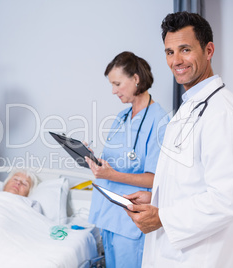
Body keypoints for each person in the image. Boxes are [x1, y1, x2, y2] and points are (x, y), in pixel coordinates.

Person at [124, 12, 233, 267]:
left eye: (185, 49)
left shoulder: (221, 112)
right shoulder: (191, 106)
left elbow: (227, 198)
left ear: (208, 50)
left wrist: (163, 217)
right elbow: (191, 182)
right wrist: (156, 199)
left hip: (202, 257)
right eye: (169, 52)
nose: (176, 60)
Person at [85, 51, 169, 268]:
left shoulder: (159, 121)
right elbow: (113, 162)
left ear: (136, 79)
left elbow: (155, 179)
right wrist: (92, 158)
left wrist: (112, 174)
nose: (113, 91)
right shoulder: (121, 117)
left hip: (131, 220)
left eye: (117, 84)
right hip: (109, 215)